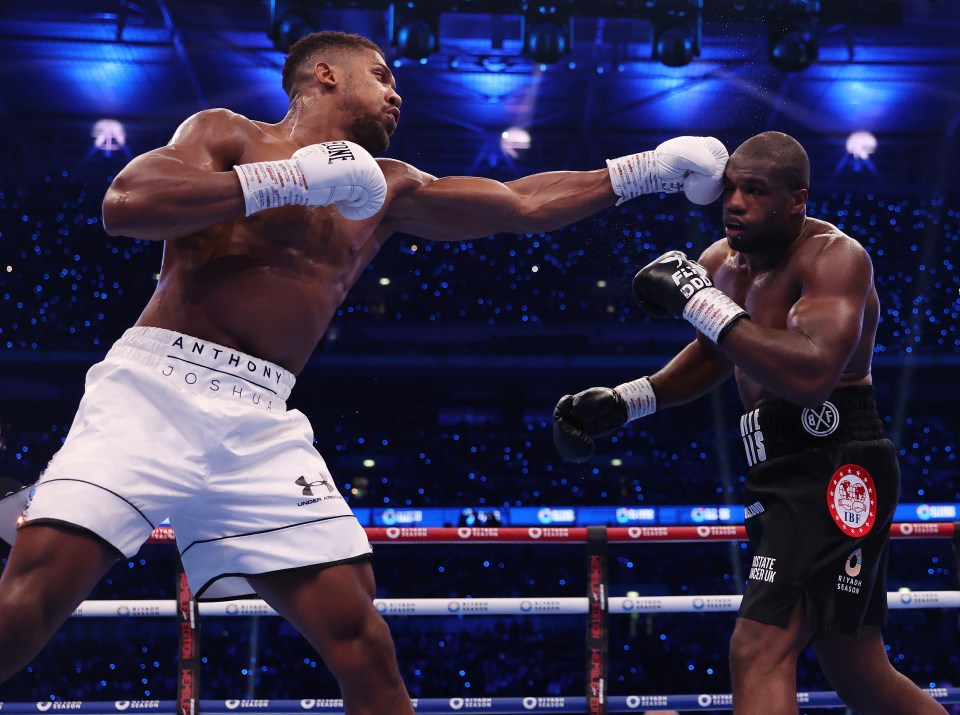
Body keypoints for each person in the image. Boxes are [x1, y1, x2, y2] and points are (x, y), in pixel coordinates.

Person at [0, 31, 729, 711]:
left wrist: (648, 170)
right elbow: (126, 205)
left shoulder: (387, 189)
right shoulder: (227, 134)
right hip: (157, 390)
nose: (395, 94)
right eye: (380, 76)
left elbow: (519, 204)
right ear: (324, 75)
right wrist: (287, 179)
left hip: (261, 418)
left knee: (362, 640)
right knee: (33, 600)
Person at [553, 131, 948, 715]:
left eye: (756, 191)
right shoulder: (720, 262)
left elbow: (811, 374)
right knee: (856, 667)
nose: (735, 202)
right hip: (776, 463)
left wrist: (700, 302)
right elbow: (718, 353)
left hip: (836, 462)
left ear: (797, 199)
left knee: (758, 648)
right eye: (732, 187)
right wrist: (628, 401)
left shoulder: (834, 258)